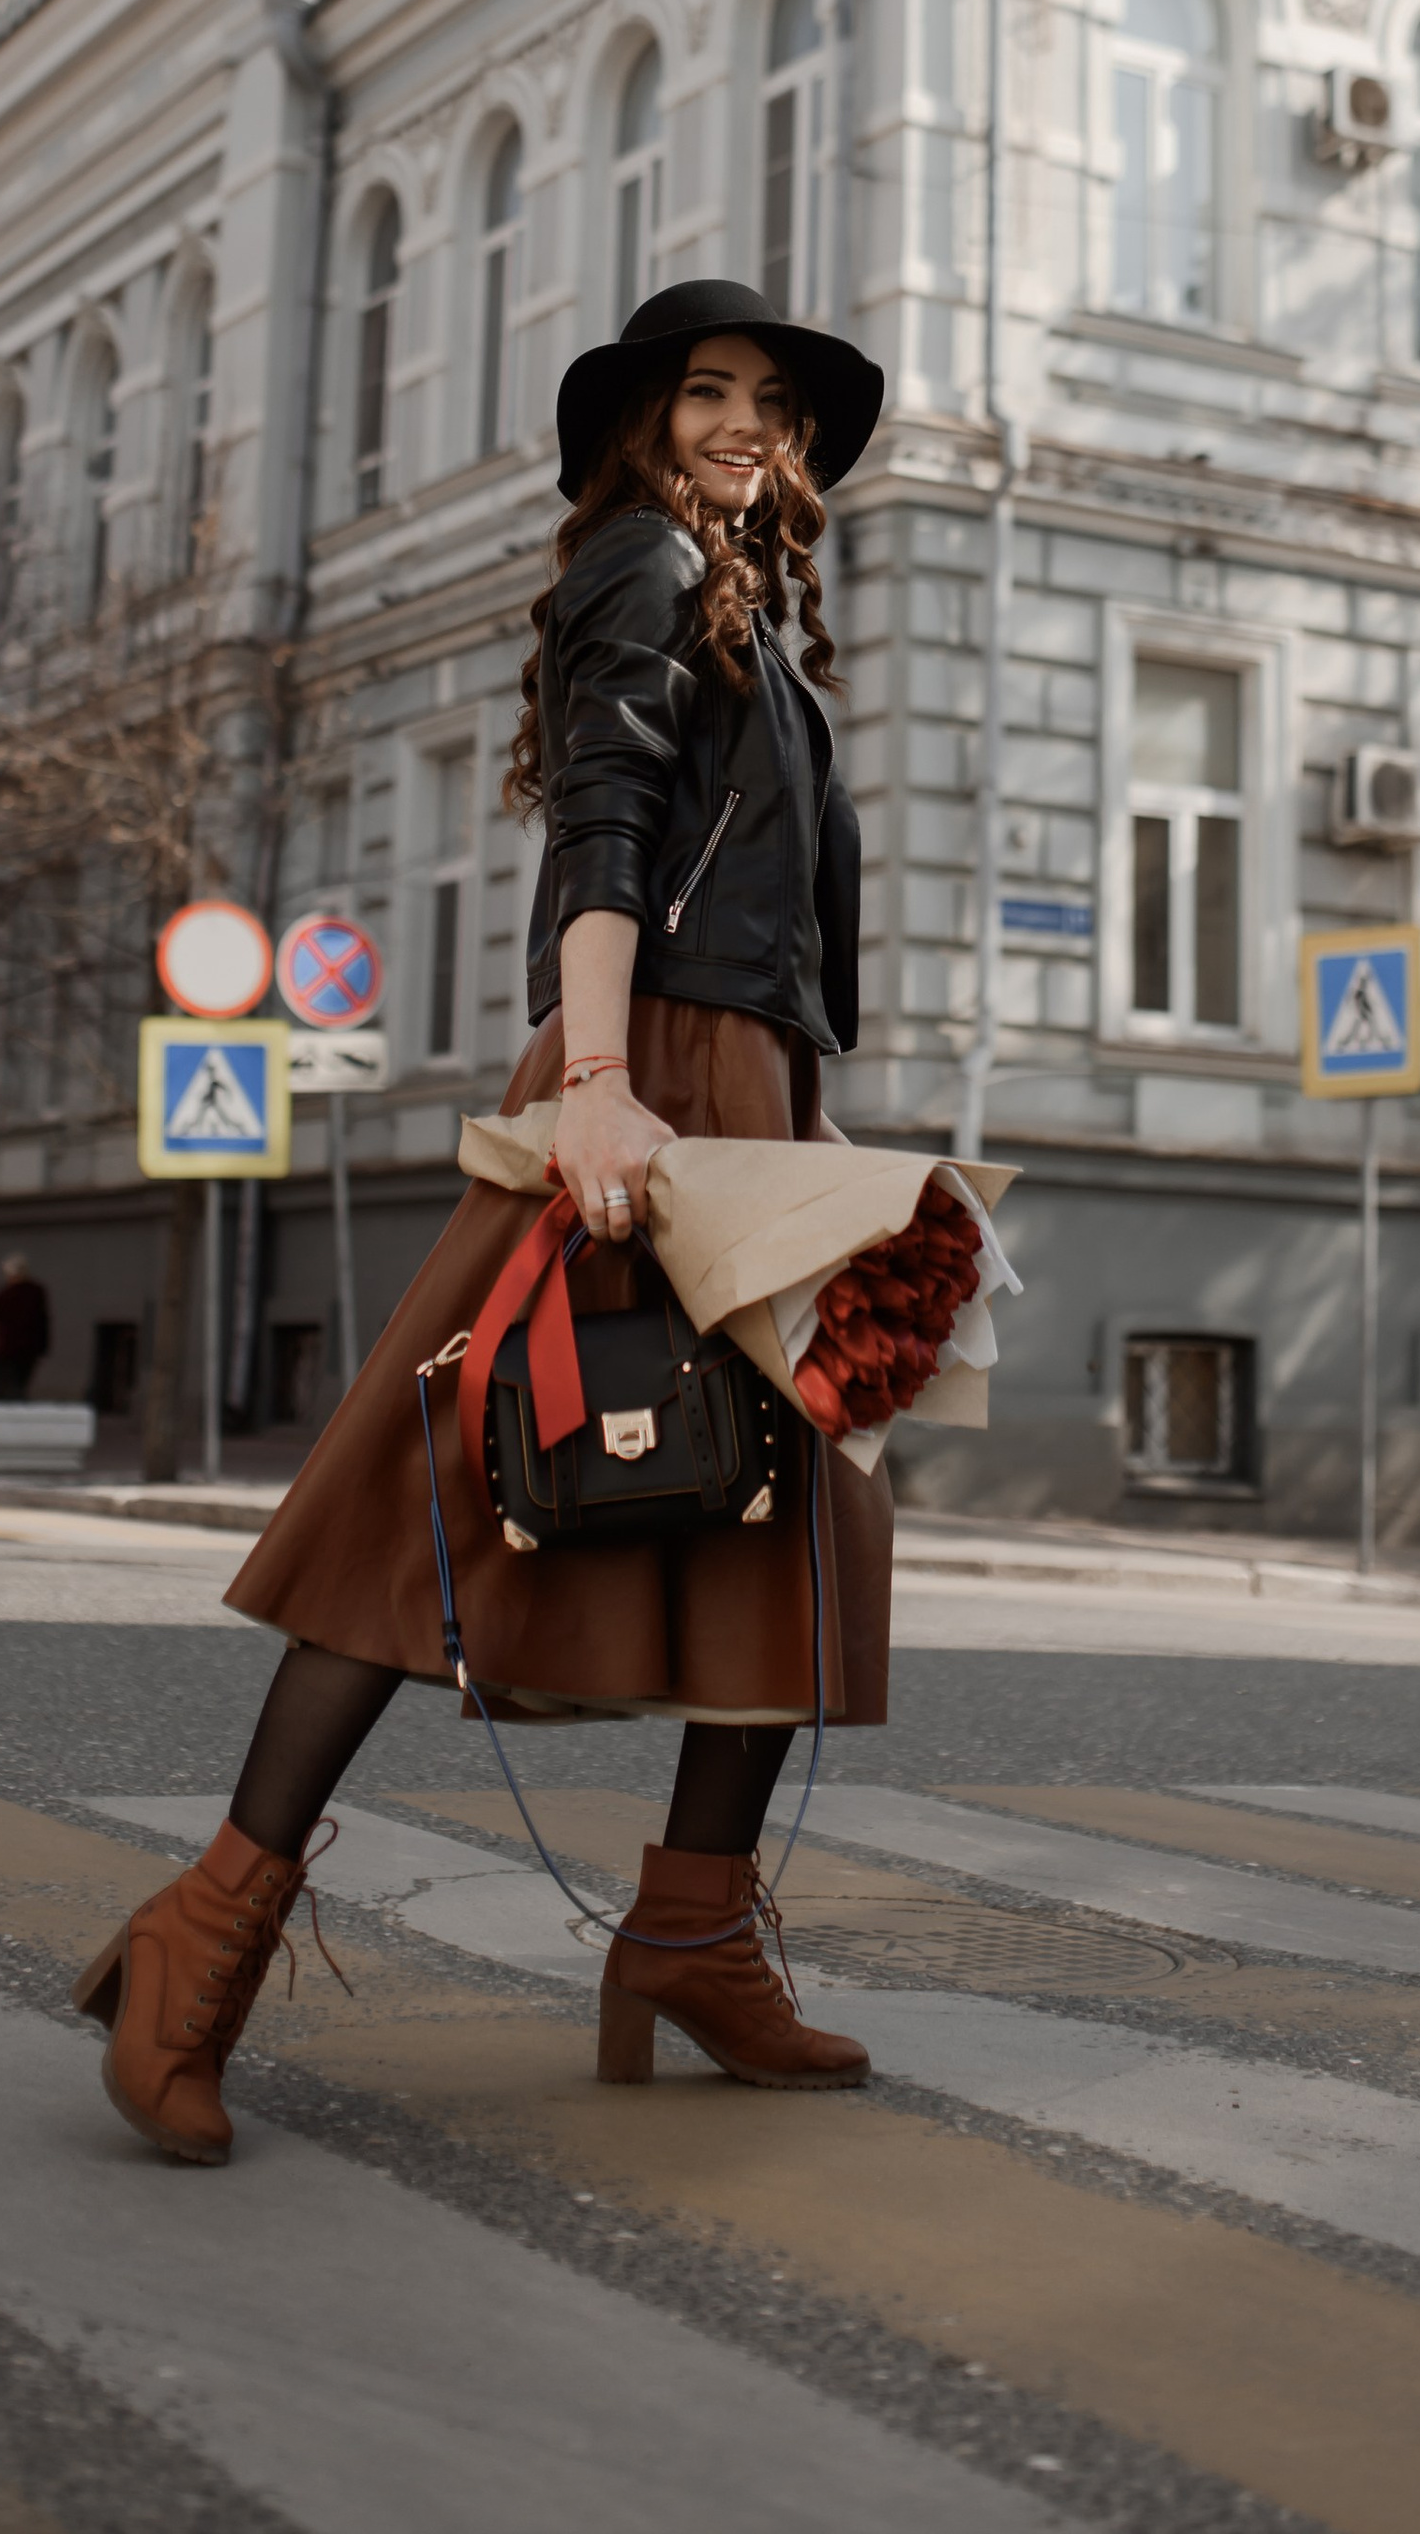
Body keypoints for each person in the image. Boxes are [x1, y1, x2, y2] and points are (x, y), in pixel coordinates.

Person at [72, 277, 888, 2165]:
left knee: (808, 1521)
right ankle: (200, 1936)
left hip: (747, 1090)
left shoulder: (753, 619)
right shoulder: (640, 567)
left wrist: (818, 1134)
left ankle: (689, 1929)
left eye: (770, 395)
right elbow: (601, 835)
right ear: (640, 421)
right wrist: (601, 1086)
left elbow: (768, 920)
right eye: (705, 388)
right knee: (436, 1488)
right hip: (645, 1077)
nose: (742, 419)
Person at [0, 1257, 51, 1402]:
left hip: (9, 1349)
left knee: (10, 1384)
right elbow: (44, 1319)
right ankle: (16, 1404)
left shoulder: (8, 1293)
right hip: (28, 1348)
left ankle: (14, 1407)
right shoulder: (35, 1292)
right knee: (17, 1382)